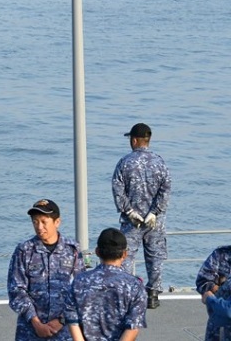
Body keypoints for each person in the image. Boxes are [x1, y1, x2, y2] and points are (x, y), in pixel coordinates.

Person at [111, 122, 171, 309]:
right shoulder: (160, 162)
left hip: (132, 221)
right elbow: (166, 189)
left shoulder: (125, 162)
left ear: (134, 140)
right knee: (155, 257)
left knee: (126, 256)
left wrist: (129, 211)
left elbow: (117, 189)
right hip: (155, 222)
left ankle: (129, 295)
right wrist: (154, 212)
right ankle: (153, 296)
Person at [8, 199, 86, 341]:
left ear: (57, 222)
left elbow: (80, 290)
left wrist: (61, 320)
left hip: (65, 331)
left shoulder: (72, 250)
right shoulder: (24, 251)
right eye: (35, 222)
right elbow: (16, 290)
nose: (39, 227)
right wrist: (36, 323)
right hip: (30, 331)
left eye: (44, 222)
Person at [64, 228, 147, 341]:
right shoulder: (134, 285)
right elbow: (133, 327)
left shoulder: (79, 281)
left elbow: (72, 320)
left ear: (97, 251)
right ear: (125, 254)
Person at [196, 245, 231, 341]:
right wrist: (218, 290)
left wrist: (210, 298)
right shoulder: (221, 254)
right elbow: (203, 281)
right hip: (217, 324)